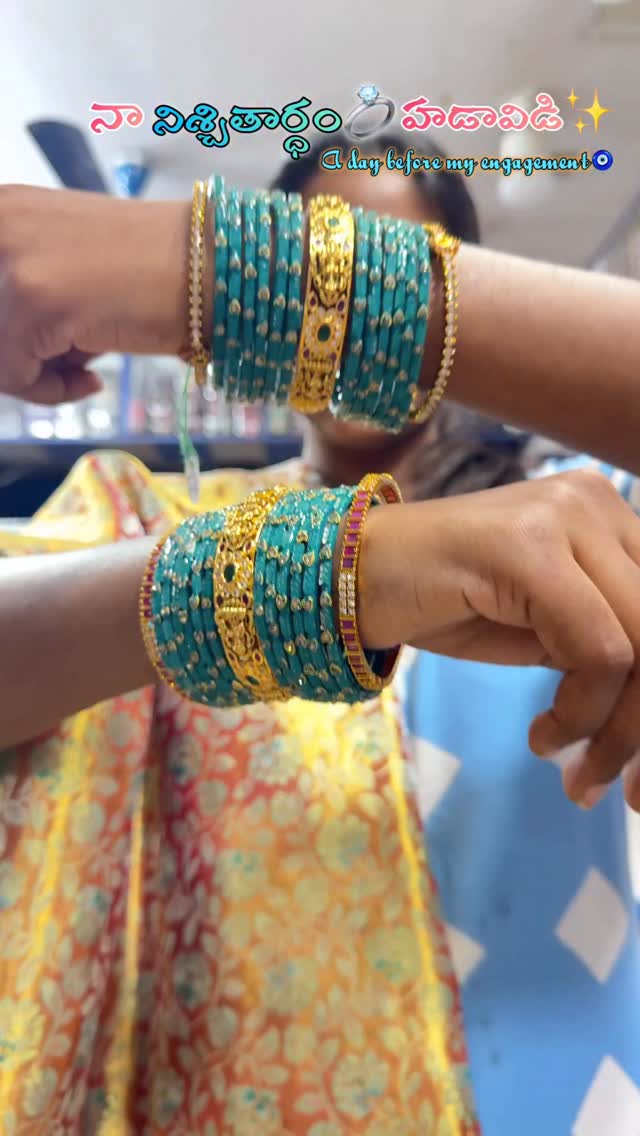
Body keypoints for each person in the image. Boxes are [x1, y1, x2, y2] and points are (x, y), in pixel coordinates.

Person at [0, 144, 640, 1133]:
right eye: (310, 256)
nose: (332, 328)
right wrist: (310, 575)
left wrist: (221, 270)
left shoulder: (591, 539)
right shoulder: (148, 521)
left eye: (377, 264)